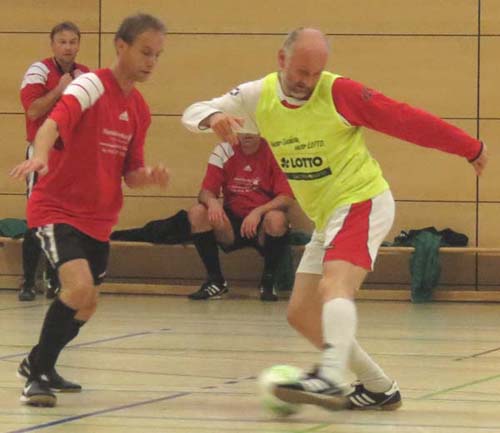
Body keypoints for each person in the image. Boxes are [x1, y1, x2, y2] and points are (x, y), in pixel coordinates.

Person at [182, 27, 488, 411]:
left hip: (362, 200)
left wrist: (468, 146)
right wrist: (213, 118)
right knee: (302, 314)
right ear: (282, 60)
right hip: (329, 215)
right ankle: (379, 388)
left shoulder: (339, 93)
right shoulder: (257, 96)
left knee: (334, 286)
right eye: (300, 73)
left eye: (315, 73)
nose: (307, 83)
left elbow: (404, 119)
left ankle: (328, 376)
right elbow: (191, 111)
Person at [10, 13, 169, 408]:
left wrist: (148, 176)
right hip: (57, 206)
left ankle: (37, 362)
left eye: (157, 55)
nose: (151, 62)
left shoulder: (140, 109)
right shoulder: (91, 84)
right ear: (121, 46)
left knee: (89, 301)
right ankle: (36, 377)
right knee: (77, 287)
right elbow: (50, 124)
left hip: (98, 218)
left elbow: (130, 173)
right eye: (145, 52)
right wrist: (41, 158)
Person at [18, 21, 90, 302]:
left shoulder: (85, 74)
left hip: (70, 157)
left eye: (73, 42)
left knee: (63, 220)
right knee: (37, 216)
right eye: (62, 42)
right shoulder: (39, 71)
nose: (68, 47)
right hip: (42, 154)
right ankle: (27, 281)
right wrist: (60, 90)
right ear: (52, 44)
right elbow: (33, 111)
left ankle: (55, 280)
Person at [188, 133, 294, 302]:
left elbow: (287, 198)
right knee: (197, 212)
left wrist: (258, 212)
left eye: (251, 127)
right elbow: (205, 192)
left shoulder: (275, 150)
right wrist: (212, 201)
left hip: (262, 221)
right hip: (232, 221)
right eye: (242, 128)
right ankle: (216, 281)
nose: (247, 133)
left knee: (277, 218)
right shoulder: (224, 149)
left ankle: (268, 282)